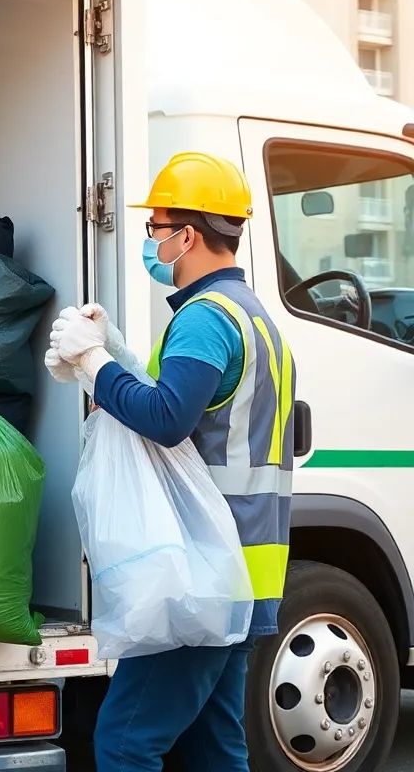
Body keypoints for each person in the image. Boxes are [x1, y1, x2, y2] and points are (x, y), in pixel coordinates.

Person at [49, 152, 295, 772]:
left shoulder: (205, 319)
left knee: (127, 741)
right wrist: (117, 356)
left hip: (201, 570)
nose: (150, 241)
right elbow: (192, 413)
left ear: (187, 235)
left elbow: (167, 420)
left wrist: (94, 367)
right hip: (246, 569)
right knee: (217, 747)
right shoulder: (254, 317)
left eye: (156, 228)